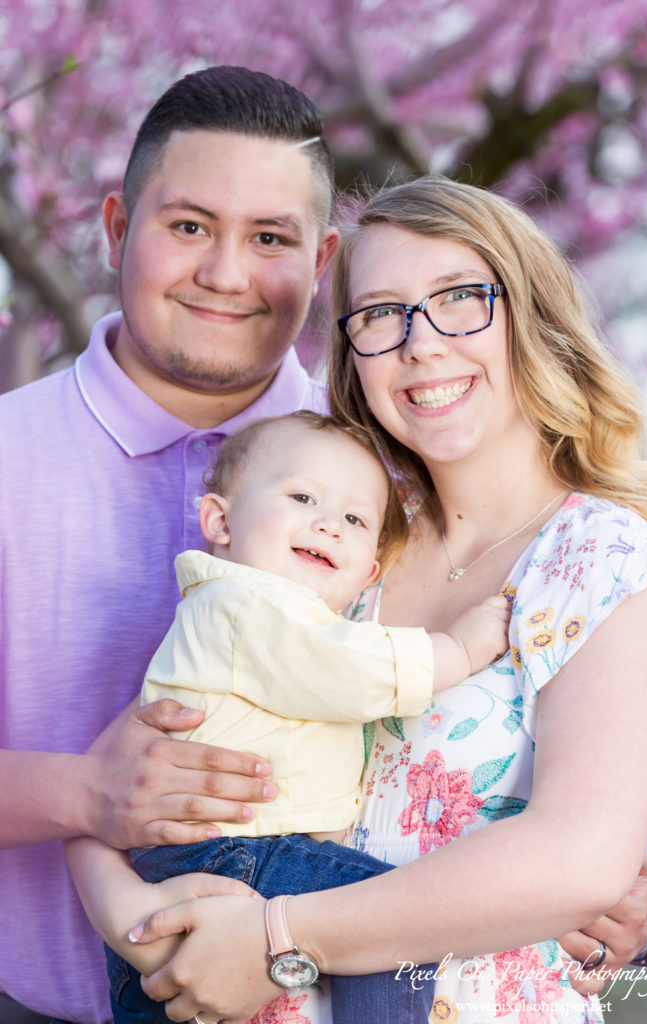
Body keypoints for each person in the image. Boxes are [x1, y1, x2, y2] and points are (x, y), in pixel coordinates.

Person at [77, 176, 647, 1024]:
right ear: (352, 354)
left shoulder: (602, 562)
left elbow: (577, 861)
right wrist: (137, 920)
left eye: (460, 300)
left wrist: (274, 937)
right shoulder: (345, 549)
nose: (420, 344)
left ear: (530, 316)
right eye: (381, 315)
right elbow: (111, 785)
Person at [0, 64, 341, 1024]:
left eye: (270, 238)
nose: (226, 275)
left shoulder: (389, 481)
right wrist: (80, 793)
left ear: (320, 264)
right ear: (116, 228)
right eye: (188, 226)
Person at [104, 409, 511, 1023]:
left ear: (368, 573)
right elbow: (347, 670)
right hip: (231, 850)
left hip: (212, 853)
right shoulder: (241, 602)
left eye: (354, 519)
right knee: (391, 924)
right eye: (302, 496)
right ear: (219, 520)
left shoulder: (282, 617)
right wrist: (456, 649)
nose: (329, 524)